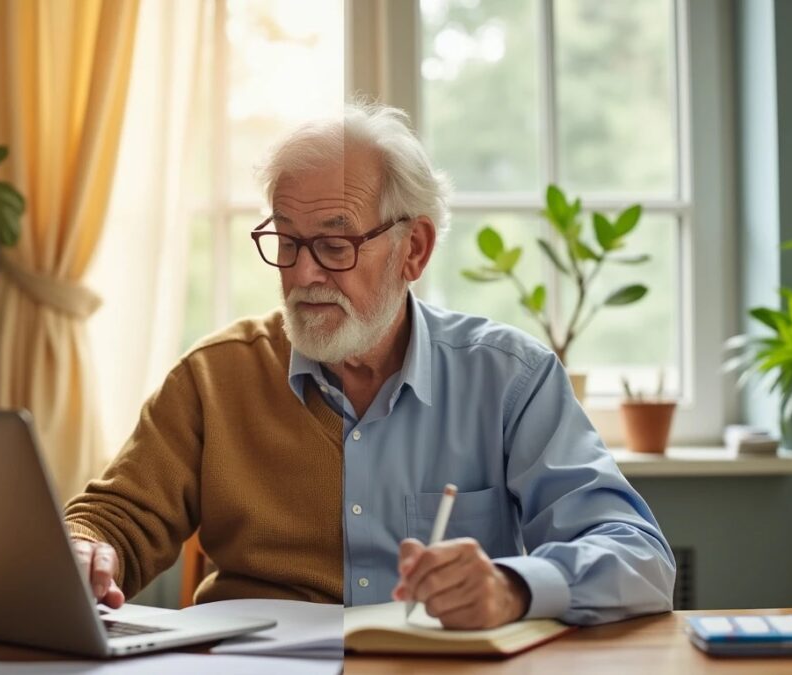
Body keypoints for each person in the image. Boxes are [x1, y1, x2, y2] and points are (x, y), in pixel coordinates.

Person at [64, 103, 675, 629]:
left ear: (413, 250)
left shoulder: (509, 378)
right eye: (286, 241)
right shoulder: (213, 377)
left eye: (335, 244)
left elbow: (637, 558)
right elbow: (117, 516)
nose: (303, 274)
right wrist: (87, 548)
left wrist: (513, 588)